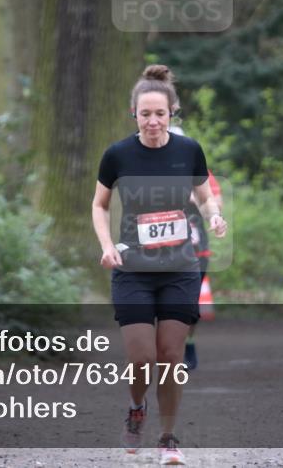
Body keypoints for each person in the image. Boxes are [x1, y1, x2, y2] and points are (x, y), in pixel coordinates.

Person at [92, 65, 227, 465]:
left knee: (171, 358)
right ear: (133, 114)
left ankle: (168, 437)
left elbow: (204, 197)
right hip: (132, 268)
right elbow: (99, 205)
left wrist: (214, 215)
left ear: (172, 114)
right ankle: (137, 409)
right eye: (145, 114)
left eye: (160, 114)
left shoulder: (189, 151)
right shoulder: (117, 154)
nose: (153, 121)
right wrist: (106, 245)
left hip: (179, 268)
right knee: (141, 359)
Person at [168, 125, 223, 371]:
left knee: (188, 305)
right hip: (158, 250)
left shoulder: (198, 171)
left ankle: (187, 346)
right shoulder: (148, 170)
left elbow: (215, 204)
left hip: (195, 248)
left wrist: (193, 198)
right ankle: (165, 349)